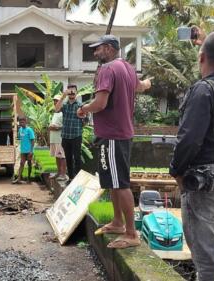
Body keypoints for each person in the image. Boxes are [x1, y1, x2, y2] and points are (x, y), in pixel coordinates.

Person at [169, 31, 214, 281]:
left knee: (205, 256)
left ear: (202, 58)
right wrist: (206, 45)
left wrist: (176, 171)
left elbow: (189, 138)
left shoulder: (203, 90)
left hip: (206, 178)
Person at [77, 35, 151, 249]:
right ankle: (118, 222)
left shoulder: (107, 70)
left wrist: (83, 109)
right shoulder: (127, 67)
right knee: (112, 181)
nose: (95, 53)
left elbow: (100, 103)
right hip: (123, 133)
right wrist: (147, 83)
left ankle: (131, 233)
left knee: (120, 183)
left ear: (109, 49)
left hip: (112, 135)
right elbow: (140, 86)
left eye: (98, 49)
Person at [55, 85, 83, 180]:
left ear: (76, 92)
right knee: (68, 158)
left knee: (77, 158)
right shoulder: (64, 105)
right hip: (66, 136)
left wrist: (82, 116)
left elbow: (86, 119)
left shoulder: (80, 106)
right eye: (69, 91)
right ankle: (71, 178)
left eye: (73, 91)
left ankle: (78, 179)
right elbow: (56, 109)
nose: (71, 92)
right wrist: (63, 96)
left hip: (76, 135)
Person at [49, 95, 67, 181]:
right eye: (54, 101)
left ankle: (63, 174)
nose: (55, 102)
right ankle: (58, 172)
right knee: (57, 156)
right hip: (53, 138)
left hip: (60, 139)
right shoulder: (55, 113)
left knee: (62, 156)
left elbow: (66, 126)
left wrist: (56, 128)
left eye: (57, 101)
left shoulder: (63, 113)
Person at [12, 117, 35, 184]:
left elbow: (33, 140)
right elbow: (19, 139)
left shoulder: (29, 130)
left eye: (22, 122)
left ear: (25, 122)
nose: (21, 123)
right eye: (20, 122)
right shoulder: (20, 130)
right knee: (21, 163)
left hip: (29, 151)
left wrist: (31, 151)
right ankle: (18, 179)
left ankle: (29, 178)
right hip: (23, 151)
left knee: (29, 164)